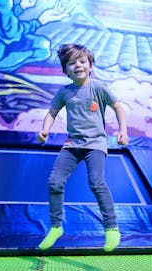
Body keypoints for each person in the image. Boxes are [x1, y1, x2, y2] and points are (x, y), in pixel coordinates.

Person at [37, 43, 129, 252]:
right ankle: (56, 226)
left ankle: (112, 228)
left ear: (90, 65)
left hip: (95, 143)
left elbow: (118, 107)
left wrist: (123, 131)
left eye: (82, 61)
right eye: (72, 63)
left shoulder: (98, 87)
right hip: (73, 143)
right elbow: (52, 112)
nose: (78, 65)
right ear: (65, 70)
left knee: (96, 182)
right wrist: (45, 130)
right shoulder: (64, 92)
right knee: (54, 182)